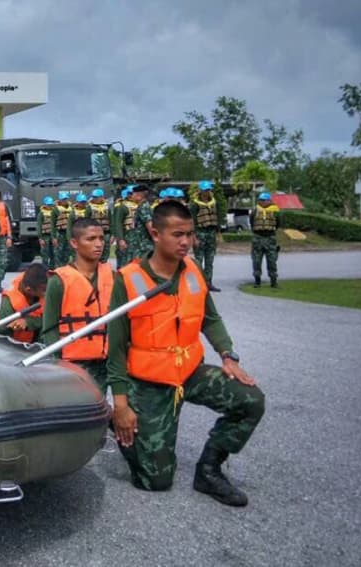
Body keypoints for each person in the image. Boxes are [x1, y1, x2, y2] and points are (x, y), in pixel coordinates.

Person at [107, 201, 265, 506]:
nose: (186, 242)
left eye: (190, 234)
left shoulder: (193, 271)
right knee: (155, 481)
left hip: (189, 371)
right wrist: (121, 405)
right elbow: (114, 350)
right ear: (154, 232)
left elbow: (210, 318)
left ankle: (209, 470)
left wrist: (228, 356)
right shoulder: (127, 280)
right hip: (149, 381)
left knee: (251, 400)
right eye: (178, 234)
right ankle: (117, 425)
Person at [41, 217, 114, 391]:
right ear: (74, 243)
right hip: (71, 363)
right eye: (90, 239)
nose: (98, 244)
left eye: (101, 239)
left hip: (105, 361)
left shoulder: (113, 276)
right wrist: (55, 364)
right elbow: (49, 328)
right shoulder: (59, 280)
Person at [0, 263, 49, 343]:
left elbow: (57, 318)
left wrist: (28, 322)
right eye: (44, 290)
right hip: (20, 346)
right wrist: (15, 325)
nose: (48, 292)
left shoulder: (44, 283)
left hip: (43, 339)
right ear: (29, 290)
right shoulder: (10, 300)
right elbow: (1, 330)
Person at [189, 180, 223, 291]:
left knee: (210, 260)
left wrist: (218, 234)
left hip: (211, 233)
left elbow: (217, 218)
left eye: (208, 190)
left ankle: (209, 283)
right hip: (200, 233)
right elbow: (192, 221)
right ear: (200, 191)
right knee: (199, 260)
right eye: (205, 190)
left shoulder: (214, 202)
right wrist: (193, 237)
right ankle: (200, 283)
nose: (207, 192)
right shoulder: (194, 204)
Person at [251, 192, 281, 288]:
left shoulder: (275, 211)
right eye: (261, 200)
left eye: (265, 200)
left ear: (269, 201)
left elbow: (278, 224)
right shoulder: (255, 211)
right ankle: (257, 281)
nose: (262, 202)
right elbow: (252, 222)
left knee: (272, 260)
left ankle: (273, 281)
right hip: (258, 237)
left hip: (270, 237)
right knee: (256, 261)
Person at [124, 185, 154, 263]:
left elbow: (149, 225)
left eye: (133, 194)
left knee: (141, 268)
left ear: (139, 196)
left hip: (143, 247)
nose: (131, 196)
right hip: (140, 245)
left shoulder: (143, 207)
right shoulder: (142, 206)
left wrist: (156, 240)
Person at [112, 187, 137, 267]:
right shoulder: (122, 206)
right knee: (124, 260)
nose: (133, 195)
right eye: (131, 193)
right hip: (126, 235)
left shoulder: (140, 205)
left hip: (138, 237)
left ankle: (135, 278)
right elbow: (117, 223)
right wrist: (120, 239)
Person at [88, 188, 113, 264]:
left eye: (96, 197)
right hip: (94, 233)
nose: (94, 199)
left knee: (106, 251)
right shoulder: (89, 207)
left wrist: (113, 234)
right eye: (94, 197)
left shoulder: (107, 207)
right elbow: (85, 222)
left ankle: (103, 266)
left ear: (102, 197)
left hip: (106, 233)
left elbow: (111, 220)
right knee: (94, 251)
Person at [53, 191, 73, 266]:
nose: (64, 201)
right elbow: (52, 224)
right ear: (60, 200)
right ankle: (58, 267)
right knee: (58, 251)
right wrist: (54, 237)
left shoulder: (71, 209)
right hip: (59, 232)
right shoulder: (55, 210)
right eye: (63, 199)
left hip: (68, 233)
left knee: (67, 251)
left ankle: (65, 266)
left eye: (65, 199)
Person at [37, 196, 57, 269]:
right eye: (48, 204)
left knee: (53, 253)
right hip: (45, 236)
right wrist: (40, 238)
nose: (49, 206)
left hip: (53, 236)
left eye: (50, 204)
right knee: (45, 254)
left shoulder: (54, 212)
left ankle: (52, 269)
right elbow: (39, 226)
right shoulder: (41, 214)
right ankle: (45, 269)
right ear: (45, 204)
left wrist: (54, 237)